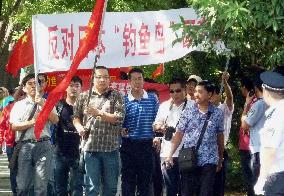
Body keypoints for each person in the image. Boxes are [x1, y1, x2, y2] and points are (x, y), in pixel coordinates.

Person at [73, 66, 125, 196]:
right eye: (99, 77)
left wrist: (98, 113)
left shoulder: (116, 95)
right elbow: (75, 117)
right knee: (91, 188)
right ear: (93, 79)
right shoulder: (84, 96)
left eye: (106, 77)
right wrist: (79, 127)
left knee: (111, 188)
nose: (103, 80)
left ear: (109, 79)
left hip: (111, 149)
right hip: (91, 149)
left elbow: (118, 119)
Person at [166, 80, 224, 196]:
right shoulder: (188, 111)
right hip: (189, 159)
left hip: (209, 159)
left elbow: (220, 137)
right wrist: (170, 155)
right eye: (196, 91)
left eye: (200, 92)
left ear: (210, 94)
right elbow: (179, 134)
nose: (196, 94)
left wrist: (220, 158)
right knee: (187, 192)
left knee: (205, 192)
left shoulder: (217, 113)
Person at [9, 73, 59, 195]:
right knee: (23, 185)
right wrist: (32, 122)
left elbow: (55, 120)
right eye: (29, 84)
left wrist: (43, 105)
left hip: (44, 145)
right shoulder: (18, 105)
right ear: (24, 88)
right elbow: (14, 126)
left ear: (41, 86)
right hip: (25, 146)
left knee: (41, 184)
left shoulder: (47, 103)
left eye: (36, 84)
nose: (33, 86)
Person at [120, 68, 159, 196]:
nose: (137, 82)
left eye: (140, 78)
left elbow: (158, 120)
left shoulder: (152, 99)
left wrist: (157, 137)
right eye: (134, 79)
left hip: (147, 146)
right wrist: (121, 129)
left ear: (143, 80)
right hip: (128, 146)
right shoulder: (123, 100)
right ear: (129, 82)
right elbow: (119, 122)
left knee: (146, 183)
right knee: (128, 183)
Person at [153, 78, 187, 196]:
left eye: (177, 90)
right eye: (171, 91)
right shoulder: (164, 105)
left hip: (187, 152)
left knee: (186, 189)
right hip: (167, 153)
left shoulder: (193, 105)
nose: (174, 94)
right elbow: (155, 125)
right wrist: (162, 128)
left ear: (185, 90)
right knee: (170, 189)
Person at [254, 70, 284, 195]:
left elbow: (270, 151)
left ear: (265, 91)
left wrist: (261, 180)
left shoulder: (276, 114)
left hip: (278, 177)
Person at [54, 76, 84, 196]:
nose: (74, 88)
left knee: (77, 188)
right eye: (71, 85)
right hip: (60, 152)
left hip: (79, 152)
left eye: (77, 85)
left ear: (81, 88)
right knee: (60, 188)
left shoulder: (86, 107)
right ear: (65, 88)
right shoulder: (59, 105)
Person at [241, 75, 267, 194]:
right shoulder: (274, 104)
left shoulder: (259, 104)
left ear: (256, 88)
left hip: (258, 150)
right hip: (269, 148)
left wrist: (246, 104)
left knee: (256, 185)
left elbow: (245, 125)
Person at [211, 71, 234, 196]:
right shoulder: (203, 109)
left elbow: (229, 97)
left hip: (219, 151)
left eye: (212, 94)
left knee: (218, 186)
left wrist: (225, 82)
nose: (210, 97)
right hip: (206, 151)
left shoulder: (224, 108)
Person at [239, 77, 258, 196]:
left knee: (251, 180)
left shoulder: (254, 103)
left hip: (249, 147)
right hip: (248, 146)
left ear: (245, 88)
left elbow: (244, 125)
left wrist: (246, 104)